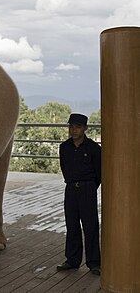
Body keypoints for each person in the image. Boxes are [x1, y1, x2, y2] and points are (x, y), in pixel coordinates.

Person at [57, 113, 101, 276]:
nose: (73, 130)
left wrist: (89, 186)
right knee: (72, 225)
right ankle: (72, 260)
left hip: (87, 189)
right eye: (71, 126)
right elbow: (64, 168)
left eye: (77, 127)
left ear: (85, 128)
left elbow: (99, 172)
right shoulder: (64, 147)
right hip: (70, 189)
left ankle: (94, 262)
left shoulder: (93, 148)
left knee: (90, 226)